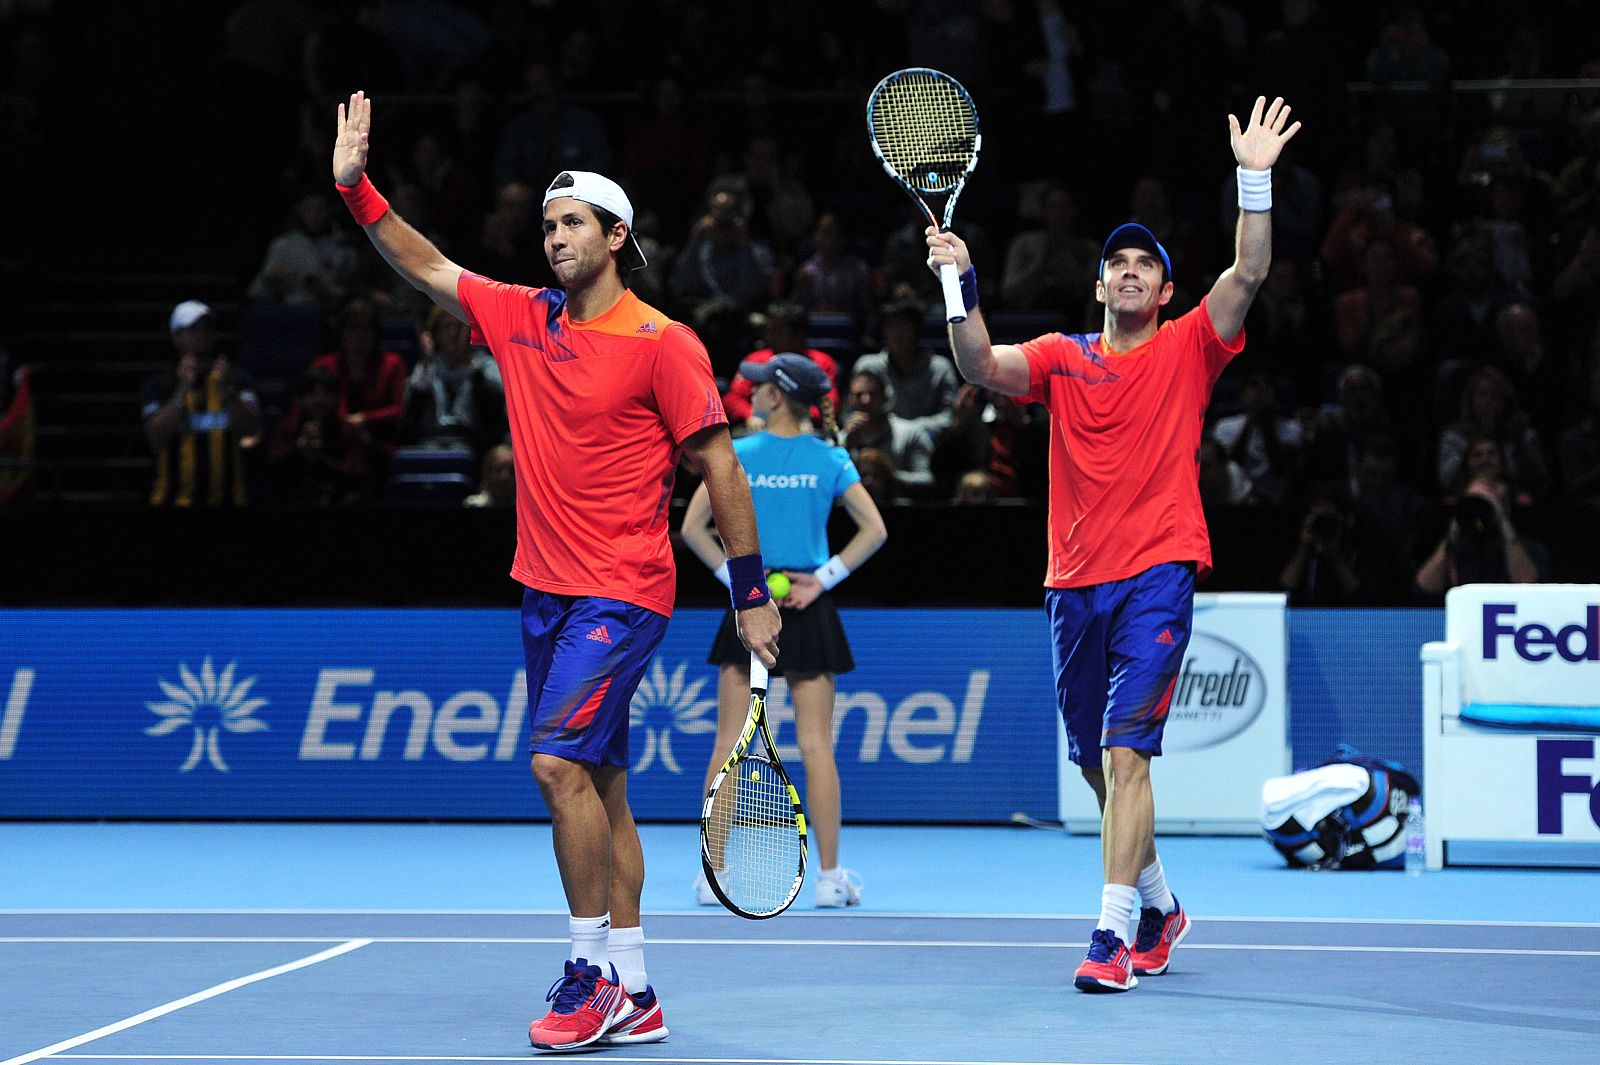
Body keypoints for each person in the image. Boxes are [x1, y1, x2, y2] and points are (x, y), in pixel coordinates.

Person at [330, 91, 780, 1051]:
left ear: (616, 235)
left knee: (554, 762)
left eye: (571, 222)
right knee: (604, 787)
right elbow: (426, 263)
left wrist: (752, 593)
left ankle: (589, 974)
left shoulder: (666, 344)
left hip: (624, 589)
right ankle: (640, 986)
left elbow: (722, 470)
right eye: (545, 225)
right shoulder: (521, 317)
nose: (552, 238)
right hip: (545, 588)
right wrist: (356, 188)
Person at [927, 96, 1300, 993]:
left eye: (1146, 264)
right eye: (1116, 263)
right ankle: (1162, 902)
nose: (1129, 272)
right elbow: (979, 364)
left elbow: (1249, 270)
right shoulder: (1059, 357)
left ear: (1165, 291)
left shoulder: (1188, 348)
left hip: (1160, 573)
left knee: (1129, 753)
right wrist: (957, 281)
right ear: (1100, 285)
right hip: (1073, 582)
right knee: (1099, 763)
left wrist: (1256, 177)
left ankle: (1110, 933)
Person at [681, 353, 887, 909]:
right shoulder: (831, 458)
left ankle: (712, 874)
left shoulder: (738, 454)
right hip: (806, 605)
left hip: (751, 605)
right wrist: (822, 579)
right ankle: (827, 879)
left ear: (776, 396)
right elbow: (875, 529)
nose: (753, 394)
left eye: (760, 387)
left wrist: (736, 580)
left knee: (728, 744)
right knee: (817, 744)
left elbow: (691, 528)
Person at [141, 301, 263, 507]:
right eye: (193, 329)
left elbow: (253, 431)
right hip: (173, 499)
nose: (202, 334)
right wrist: (182, 391)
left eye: (206, 328)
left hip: (230, 499)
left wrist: (227, 393)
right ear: (176, 336)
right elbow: (155, 438)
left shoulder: (236, 379)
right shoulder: (160, 385)